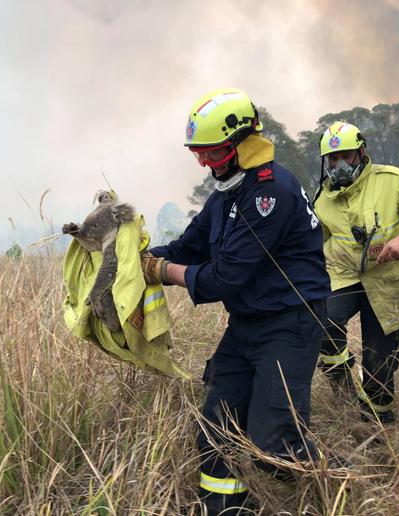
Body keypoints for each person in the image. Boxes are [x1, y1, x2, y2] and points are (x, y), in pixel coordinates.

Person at [141, 88, 330, 513]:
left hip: (290, 323)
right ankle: (226, 508)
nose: (206, 164)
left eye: (214, 153)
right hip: (247, 325)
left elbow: (225, 277)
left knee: (273, 441)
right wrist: (139, 257)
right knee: (216, 427)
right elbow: (189, 246)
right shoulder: (226, 193)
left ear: (244, 141)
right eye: (199, 155)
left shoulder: (270, 192)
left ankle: (326, 486)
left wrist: (163, 273)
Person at [312, 121, 399, 424]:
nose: (339, 164)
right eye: (332, 159)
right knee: (320, 321)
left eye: (346, 155)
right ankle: (342, 383)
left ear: (361, 152)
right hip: (344, 275)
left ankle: (377, 422)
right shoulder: (323, 198)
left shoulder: (393, 180)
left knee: (379, 360)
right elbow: (316, 241)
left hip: (389, 280)